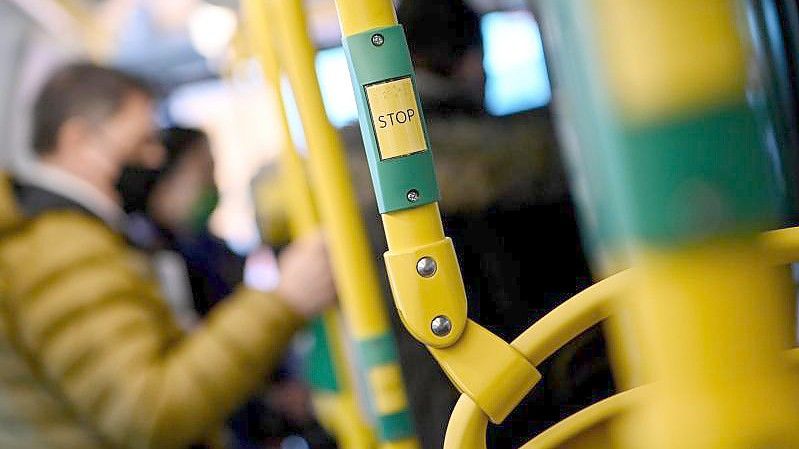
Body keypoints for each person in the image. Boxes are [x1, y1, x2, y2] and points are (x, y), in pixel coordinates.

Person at [0, 62, 336, 449]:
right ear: (78, 139)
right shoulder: (60, 250)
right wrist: (283, 302)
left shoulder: (67, 236)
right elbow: (148, 413)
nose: (156, 158)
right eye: (142, 141)